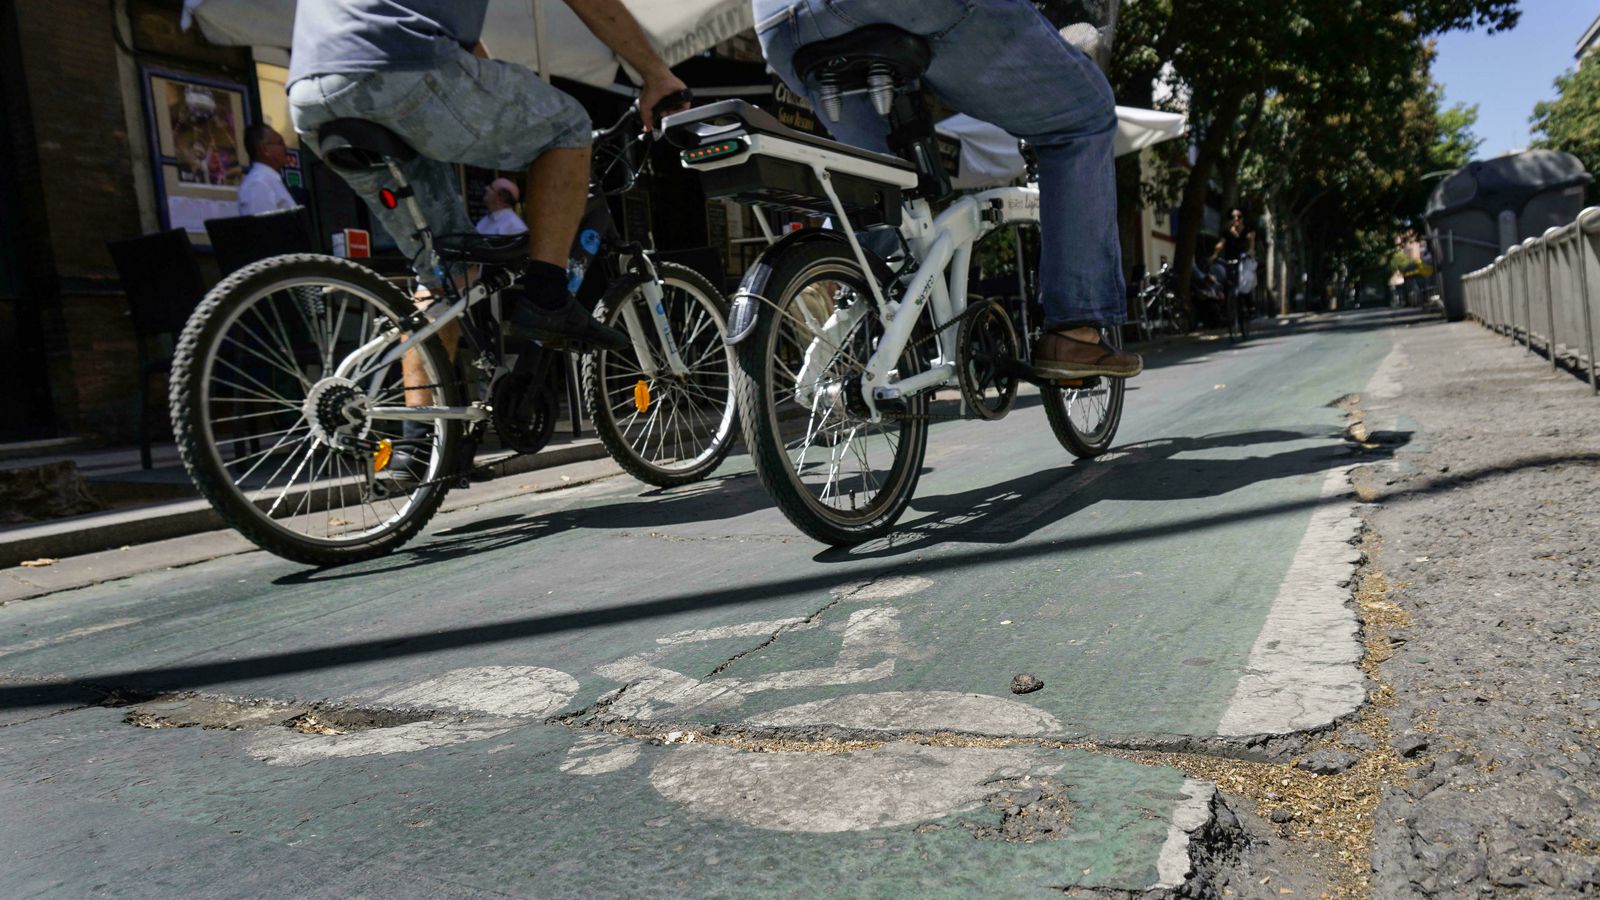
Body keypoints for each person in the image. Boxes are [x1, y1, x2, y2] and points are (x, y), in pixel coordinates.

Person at [751, 0, 1140, 379]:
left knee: (882, 187)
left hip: (778, 22)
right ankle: (1076, 333)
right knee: (1083, 117)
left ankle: (830, 284)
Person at [286, 0, 690, 350]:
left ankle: (420, 433)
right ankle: (546, 297)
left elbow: (474, 60)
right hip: (400, 63)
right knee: (567, 125)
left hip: (310, 91)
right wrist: (655, 74)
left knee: (447, 277)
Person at [237, 124, 300, 215]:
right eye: (280, 143)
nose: (285, 148)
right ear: (265, 149)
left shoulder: (268, 180)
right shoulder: (258, 183)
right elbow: (264, 227)